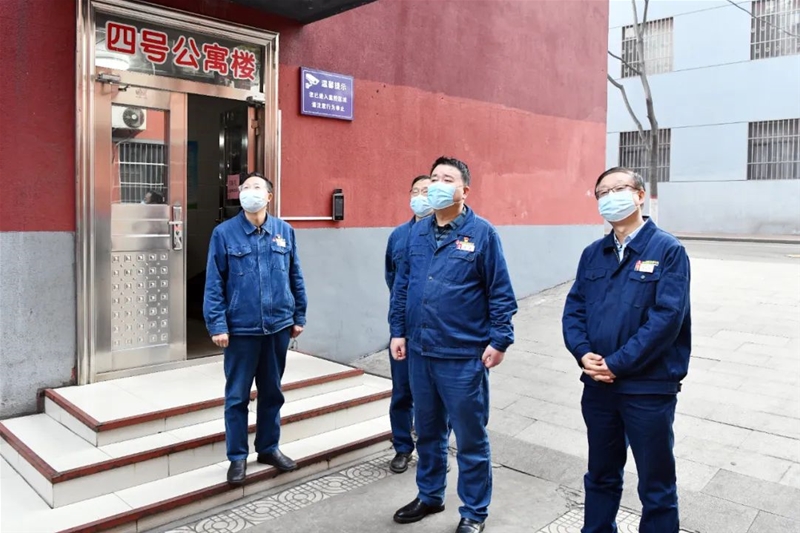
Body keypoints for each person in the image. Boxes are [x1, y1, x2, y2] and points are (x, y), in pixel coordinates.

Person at [389, 156, 517, 533]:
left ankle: (474, 511)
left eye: (447, 179)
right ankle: (430, 495)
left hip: (463, 355)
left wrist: (500, 340)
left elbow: (500, 292)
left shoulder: (483, 234)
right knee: (428, 432)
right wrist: (398, 331)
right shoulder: (417, 233)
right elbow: (402, 286)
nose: (437, 184)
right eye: (434, 178)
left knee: (470, 437)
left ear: (465, 190)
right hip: (420, 352)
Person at [562, 167, 691, 533]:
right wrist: (582, 352)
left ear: (639, 195)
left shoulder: (667, 250)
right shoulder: (593, 253)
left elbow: (667, 319)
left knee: (656, 483)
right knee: (601, 474)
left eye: (618, 188)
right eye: (602, 192)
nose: (610, 197)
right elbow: (574, 309)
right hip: (599, 387)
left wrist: (617, 363)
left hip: (648, 388)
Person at [203, 171, 308, 486]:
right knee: (237, 396)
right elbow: (214, 283)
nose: (250, 191)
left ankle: (268, 448)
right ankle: (237, 457)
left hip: (278, 327)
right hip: (241, 330)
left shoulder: (284, 232)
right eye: (245, 187)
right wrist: (217, 324)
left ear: (269, 197)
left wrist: (299, 315)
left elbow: (295, 275)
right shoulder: (224, 233)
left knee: (272, 392)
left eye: (256, 187)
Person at [384, 174, 434, 474]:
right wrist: (398, 326)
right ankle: (402, 446)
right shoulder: (399, 236)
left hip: (436, 330)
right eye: (415, 191)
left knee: (433, 396)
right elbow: (393, 280)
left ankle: (433, 448)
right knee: (402, 391)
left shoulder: (446, 235)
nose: (419, 196)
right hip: (404, 328)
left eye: (426, 191)